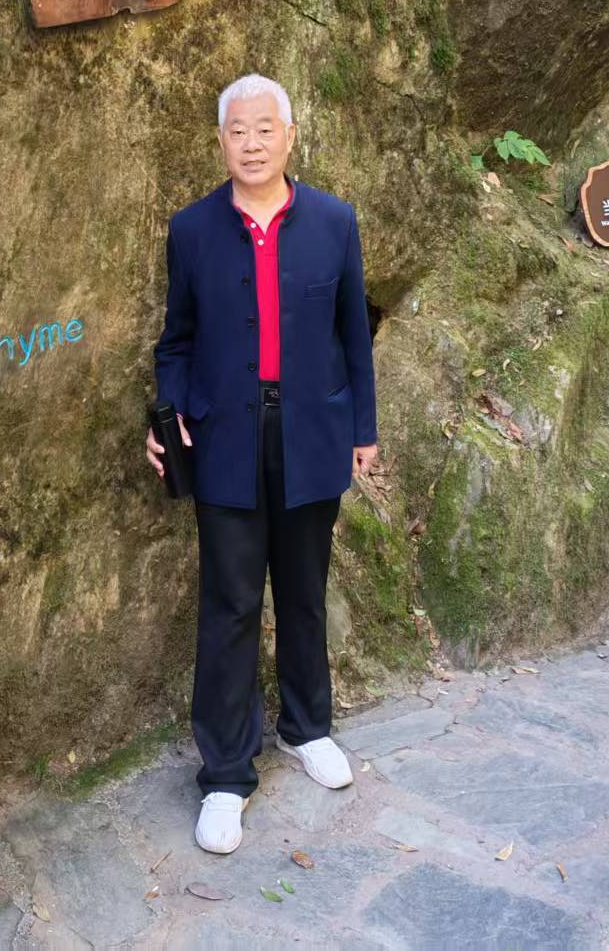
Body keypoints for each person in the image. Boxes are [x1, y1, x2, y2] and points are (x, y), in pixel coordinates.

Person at [147, 73, 378, 855]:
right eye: (236, 131)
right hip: (224, 440)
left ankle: (306, 727)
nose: (250, 143)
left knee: (304, 591)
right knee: (230, 603)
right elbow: (176, 342)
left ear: (289, 136)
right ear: (221, 141)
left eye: (263, 129)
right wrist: (170, 412)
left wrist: (363, 428)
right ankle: (224, 773)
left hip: (313, 432)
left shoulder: (333, 222)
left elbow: (352, 335)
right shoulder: (191, 230)